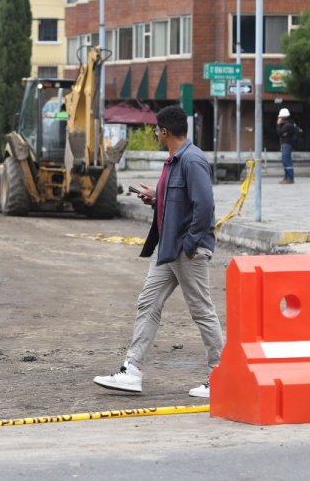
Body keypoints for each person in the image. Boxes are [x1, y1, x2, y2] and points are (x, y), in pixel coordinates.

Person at [93, 105, 222, 399]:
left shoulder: (192, 160)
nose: (154, 133)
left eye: (155, 129)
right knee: (147, 303)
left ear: (164, 131)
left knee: (202, 311)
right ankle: (132, 371)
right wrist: (157, 196)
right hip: (168, 250)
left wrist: (190, 246)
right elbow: (183, 199)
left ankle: (222, 375)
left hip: (187, 251)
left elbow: (204, 207)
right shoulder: (175, 161)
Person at [276, 107, 298, 184]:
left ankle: (290, 178)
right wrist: (282, 132)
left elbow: (279, 133)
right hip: (287, 144)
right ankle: (286, 177)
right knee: (285, 161)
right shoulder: (289, 124)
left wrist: (278, 125)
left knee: (287, 161)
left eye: (280, 117)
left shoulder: (288, 125)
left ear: (283, 117)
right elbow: (282, 133)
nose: (279, 118)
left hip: (286, 145)